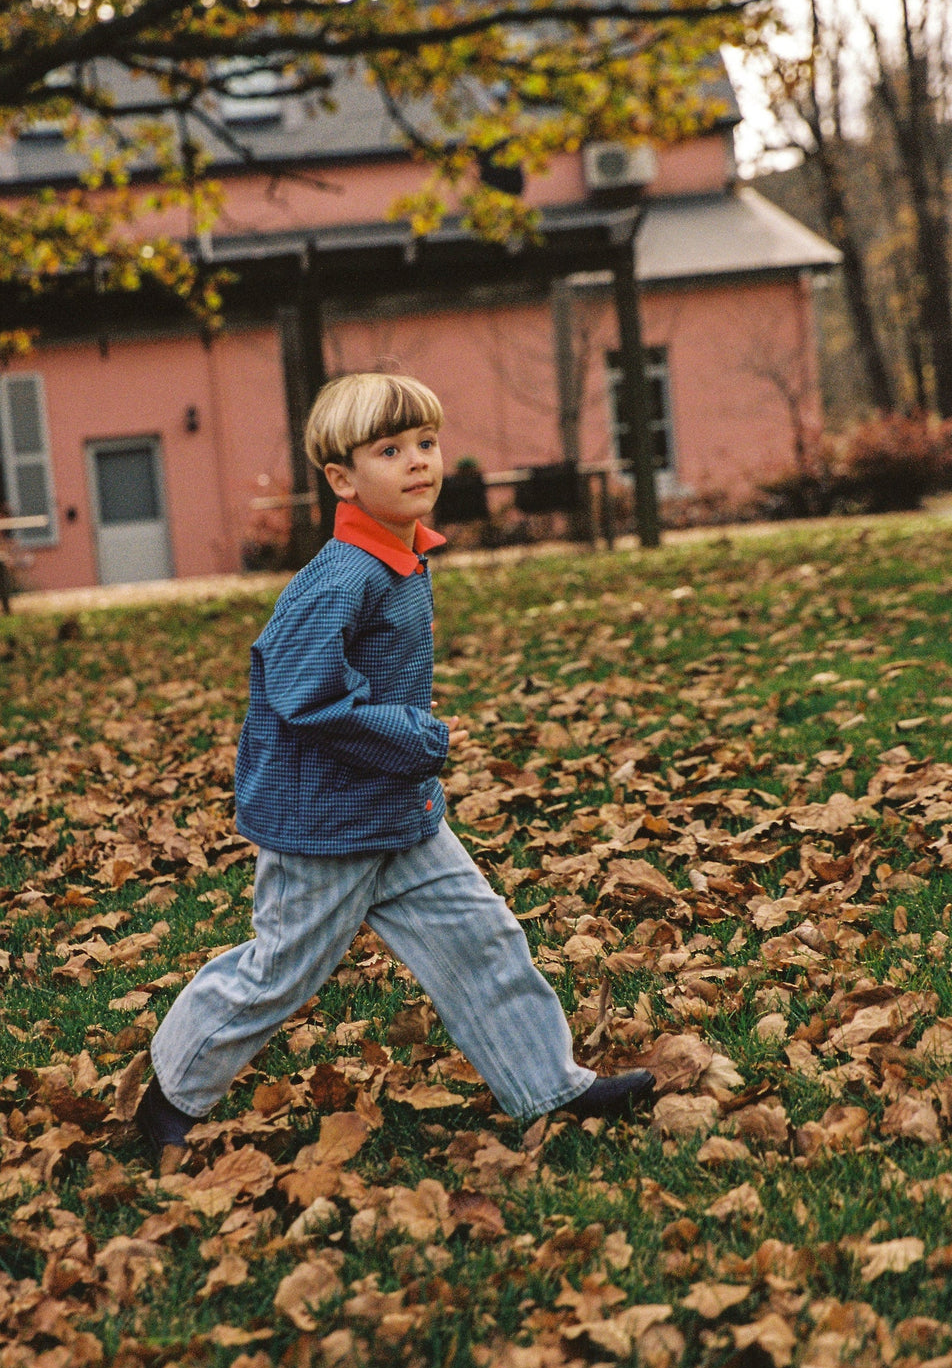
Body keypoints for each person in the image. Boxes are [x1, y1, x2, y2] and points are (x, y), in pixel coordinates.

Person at [137, 372, 653, 1154]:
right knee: (279, 970)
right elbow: (306, 697)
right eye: (389, 449)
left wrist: (409, 755)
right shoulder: (341, 579)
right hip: (326, 824)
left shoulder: (402, 557)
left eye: (426, 442)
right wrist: (419, 737)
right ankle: (170, 1098)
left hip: (397, 812)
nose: (418, 460)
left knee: (481, 939)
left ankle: (549, 1086)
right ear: (342, 479)